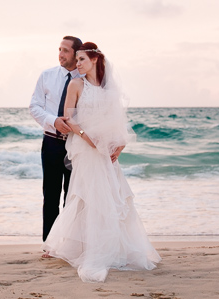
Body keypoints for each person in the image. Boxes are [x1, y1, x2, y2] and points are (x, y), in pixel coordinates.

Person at [41, 42, 161, 282]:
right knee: (87, 195)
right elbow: (69, 119)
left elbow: (119, 121)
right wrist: (88, 138)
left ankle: (113, 247)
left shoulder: (108, 90)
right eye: (76, 61)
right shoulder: (76, 84)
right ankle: (83, 248)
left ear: (94, 60)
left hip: (106, 150)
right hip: (86, 149)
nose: (78, 65)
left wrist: (119, 146)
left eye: (82, 60)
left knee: (111, 195)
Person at [29, 35, 83, 242]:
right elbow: (34, 106)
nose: (60, 54)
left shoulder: (85, 81)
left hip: (75, 144)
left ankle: (70, 243)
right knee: (50, 196)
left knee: (73, 196)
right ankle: (50, 244)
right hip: (51, 142)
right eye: (59, 49)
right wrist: (53, 120)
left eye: (65, 51)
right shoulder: (47, 75)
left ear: (76, 54)